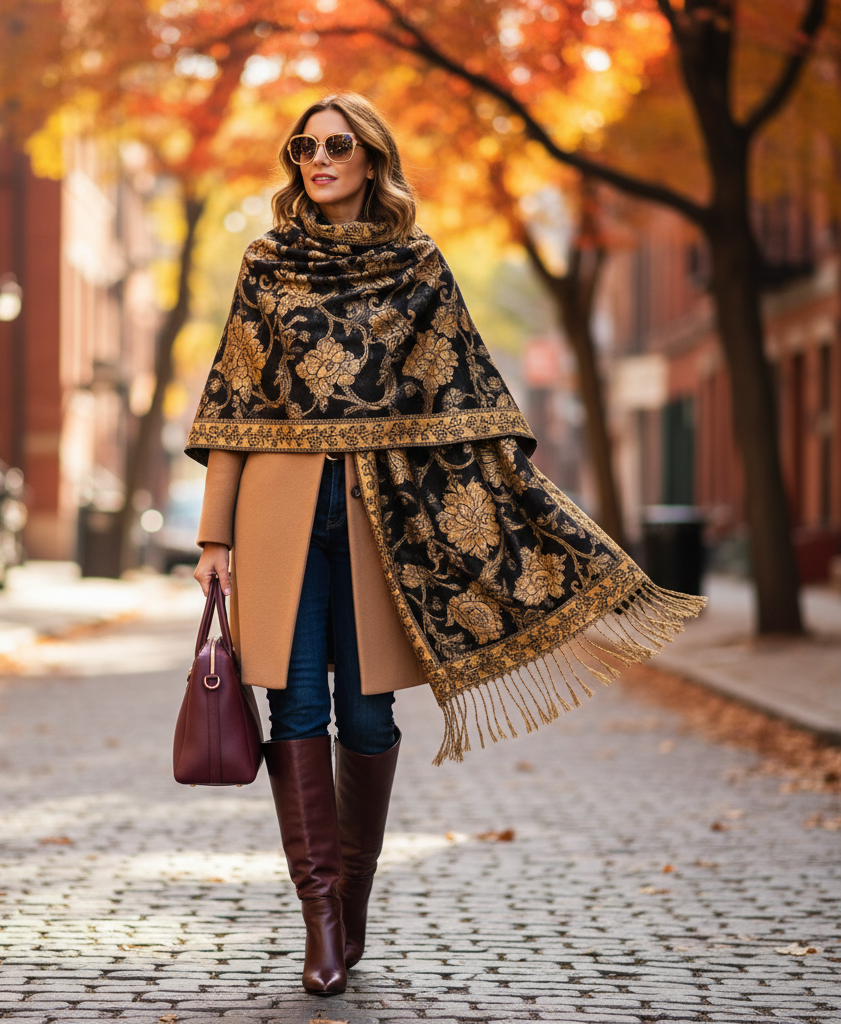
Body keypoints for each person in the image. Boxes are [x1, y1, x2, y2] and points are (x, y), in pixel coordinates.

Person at [186, 93, 703, 996]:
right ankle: (319, 924)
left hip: (387, 525)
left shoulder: (418, 264)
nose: (318, 158)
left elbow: (460, 386)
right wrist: (213, 534)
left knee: (372, 717)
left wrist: (510, 494)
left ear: (372, 157)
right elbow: (234, 400)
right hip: (278, 516)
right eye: (303, 146)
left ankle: (351, 908)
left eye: (336, 144)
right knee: (297, 709)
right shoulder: (266, 261)